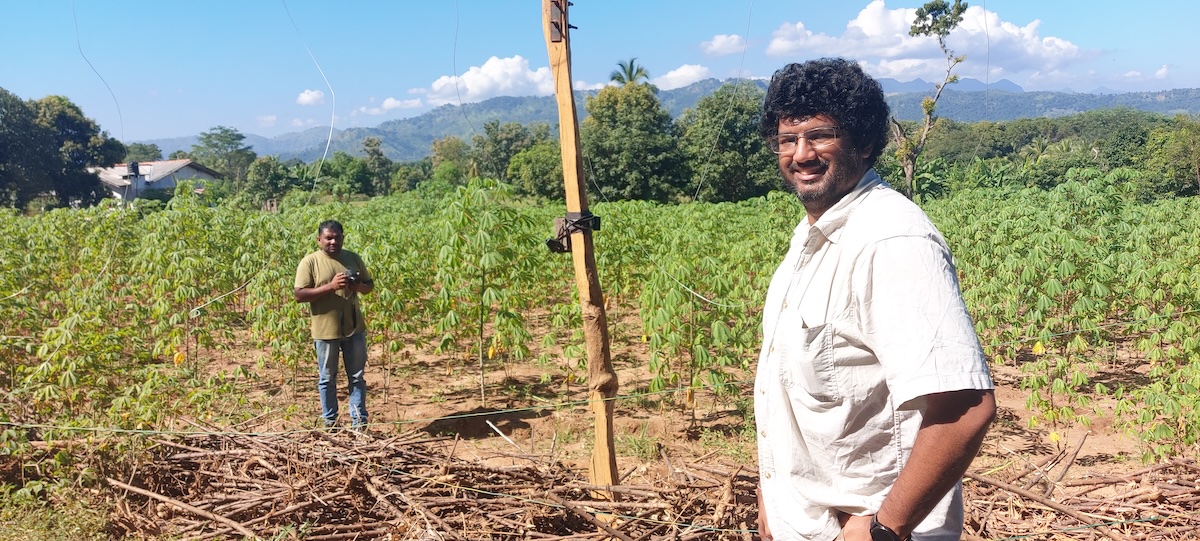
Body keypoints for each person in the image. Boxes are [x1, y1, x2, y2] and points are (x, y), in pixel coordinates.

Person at [753, 58, 996, 541]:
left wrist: (883, 529)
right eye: (787, 139)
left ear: (863, 141)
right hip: (805, 523)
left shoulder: (892, 240)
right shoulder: (810, 238)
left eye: (820, 135)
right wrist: (771, 507)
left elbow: (965, 405)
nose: (800, 154)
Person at [294, 220, 375, 430]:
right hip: (325, 331)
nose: (333, 241)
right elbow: (299, 294)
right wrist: (330, 287)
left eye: (337, 237)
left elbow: (369, 286)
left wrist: (357, 285)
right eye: (328, 238)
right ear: (319, 240)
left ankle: (359, 424)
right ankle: (331, 424)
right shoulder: (310, 262)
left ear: (343, 238)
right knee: (327, 378)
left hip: (354, 329)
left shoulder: (353, 258)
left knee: (357, 377)